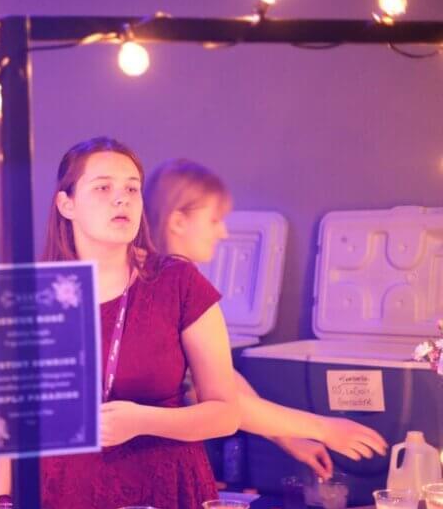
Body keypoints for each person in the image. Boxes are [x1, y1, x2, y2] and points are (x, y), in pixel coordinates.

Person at [0, 137, 241, 509]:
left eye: (131, 189)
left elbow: (227, 413)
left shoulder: (178, 282)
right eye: (103, 187)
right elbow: (14, 423)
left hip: (160, 498)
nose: (121, 199)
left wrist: (142, 420)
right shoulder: (30, 293)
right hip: (58, 501)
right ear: (66, 204)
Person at [143, 159, 387, 479]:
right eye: (214, 219)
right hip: (149, 464)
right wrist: (326, 428)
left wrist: (290, 439)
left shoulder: (167, 279)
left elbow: (222, 378)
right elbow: (216, 398)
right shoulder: (166, 289)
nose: (223, 231)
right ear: (177, 221)